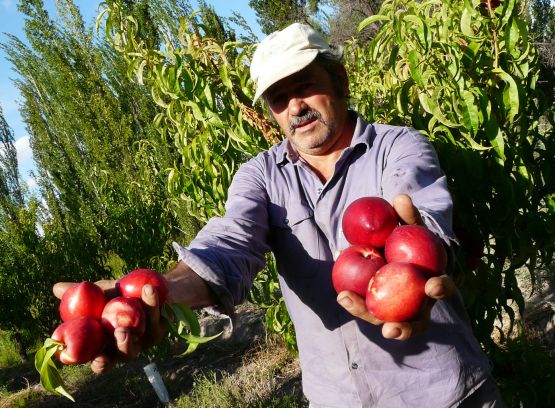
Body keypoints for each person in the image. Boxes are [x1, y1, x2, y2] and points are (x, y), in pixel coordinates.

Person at [54, 23, 505, 407]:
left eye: (305, 85)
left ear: (339, 81)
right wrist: (155, 292)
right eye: (278, 97)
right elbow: (230, 243)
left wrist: (419, 263)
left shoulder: (399, 146)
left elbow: (423, 219)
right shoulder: (261, 176)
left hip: (444, 394)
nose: (295, 107)